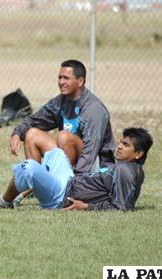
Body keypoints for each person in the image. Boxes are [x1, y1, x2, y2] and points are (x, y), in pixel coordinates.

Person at [9, 59, 115, 205]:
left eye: (66, 78)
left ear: (80, 81)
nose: (61, 82)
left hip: (95, 168)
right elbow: (35, 120)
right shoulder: (60, 102)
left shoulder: (93, 109)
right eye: (59, 77)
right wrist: (17, 133)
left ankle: (65, 188)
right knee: (32, 134)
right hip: (70, 159)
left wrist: (77, 184)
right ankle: (37, 185)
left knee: (64, 137)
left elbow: (91, 152)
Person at [0, 127, 153, 211]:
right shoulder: (129, 167)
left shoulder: (126, 171)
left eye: (126, 145)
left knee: (29, 167)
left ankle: (2, 202)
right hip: (68, 181)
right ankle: (29, 189)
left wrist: (86, 206)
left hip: (61, 197)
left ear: (138, 153)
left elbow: (122, 207)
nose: (120, 146)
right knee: (56, 153)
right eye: (121, 142)